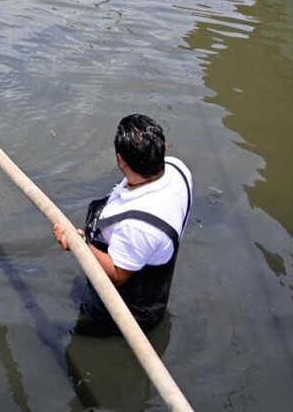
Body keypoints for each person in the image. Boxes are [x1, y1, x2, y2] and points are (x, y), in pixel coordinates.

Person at [53, 114, 192, 333]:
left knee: (84, 331)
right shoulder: (177, 169)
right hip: (147, 271)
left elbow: (117, 276)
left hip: (125, 313)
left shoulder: (139, 227)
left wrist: (78, 244)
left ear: (120, 160)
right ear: (163, 149)